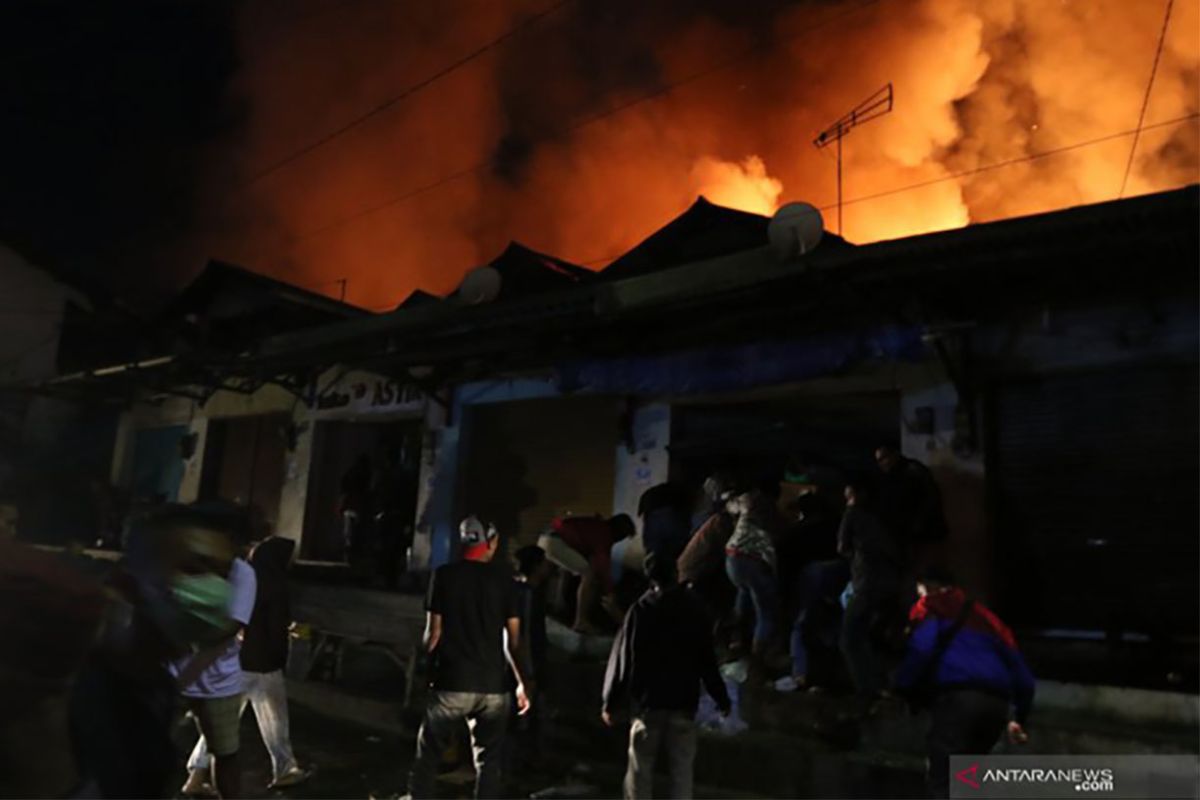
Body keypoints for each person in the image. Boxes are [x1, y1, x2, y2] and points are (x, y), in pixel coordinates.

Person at [70, 504, 243, 799]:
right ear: (127, 581)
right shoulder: (63, 687)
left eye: (222, 573)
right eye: (193, 568)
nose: (214, 588)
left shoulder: (153, 688)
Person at [408, 516, 531, 800]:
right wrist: (523, 683)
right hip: (493, 687)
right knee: (489, 761)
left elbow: (433, 636)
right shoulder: (505, 581)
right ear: (492, 542)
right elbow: (513, 642)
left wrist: (425, 672)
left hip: (451, 681)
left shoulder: (444, 575)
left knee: (428, 758)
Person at [893, 568, 1034, 799]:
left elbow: (921, 650)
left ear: (926, 589)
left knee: (944, 780)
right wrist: (1020, 717)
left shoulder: (932, 609)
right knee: (967, 780)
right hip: (996, 706)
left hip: (958, 702)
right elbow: (1023, 675)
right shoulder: (989, 619)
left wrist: (903, 687)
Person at [602, 552, 731, 800]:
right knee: (682, 771)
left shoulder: (640, 610)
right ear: (676, 573)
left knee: (640, 769)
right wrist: (721, 698)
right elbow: (707, 660)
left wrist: (611, 700)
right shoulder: (694, 609)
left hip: (648, 704)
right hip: (683, 703)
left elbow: (624, 659)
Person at [186, 535, 311, 792]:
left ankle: (195, 777)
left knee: (222, 723)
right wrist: (282, 652)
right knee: (275, 720)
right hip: (263, 663)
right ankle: (285, 768)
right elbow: (274, 628)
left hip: (237, 659)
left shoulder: (243, 580)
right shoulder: (275, 585)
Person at [172, 521, 258, 800]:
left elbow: (231, 628)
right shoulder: (178, 564)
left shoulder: (241, 573)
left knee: (225, 753)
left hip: (217, 681)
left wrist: (184, 676)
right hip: (172, 671)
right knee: (147, 749)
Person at [538, 513, 635, 633]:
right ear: (619, 532)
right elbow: (602, 567)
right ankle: (580, 621)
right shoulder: (604, 534)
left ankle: (559, 606)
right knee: (588, 574)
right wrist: (610, 593)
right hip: (554, 541)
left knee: (568, 569)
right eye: (623, 536)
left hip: (545, 538)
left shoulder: (597, 527)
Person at [723, 490, 780, 667]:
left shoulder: (744, 508)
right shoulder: (766, 517)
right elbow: (770, 556)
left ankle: (735, 645)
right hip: (752, 563)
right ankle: (757, 659)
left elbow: (729, 504)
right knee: (766, 613)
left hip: (732, 561)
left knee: (743, 597)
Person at [875, 445, 949, 560]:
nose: (881, 464)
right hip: (905, 534)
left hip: (923, 533)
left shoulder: (912, 471)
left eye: (884, 458)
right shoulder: (890, 478)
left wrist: (918, 523)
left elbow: (931, 498)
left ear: (895, 455)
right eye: (878, 460)